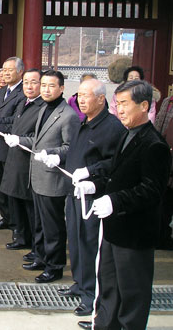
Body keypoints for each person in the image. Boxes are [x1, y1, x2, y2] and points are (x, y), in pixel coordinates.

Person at [78, 80, 170, 330]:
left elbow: (151, 190)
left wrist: (115, 200)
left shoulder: (155, 145)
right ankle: (105, 325)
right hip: (113, 228)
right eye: (117, 104)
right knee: (109, 286)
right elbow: (116, 172)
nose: (119, 110)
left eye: (124, 104)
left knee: (132, 292)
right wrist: (94, 185)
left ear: (144, 105)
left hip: (135, 233)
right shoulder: (126, 134)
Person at [5, 70, 79, 283]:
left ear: (62, 88)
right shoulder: (44, 108)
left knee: (53, 227)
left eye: (51, 86)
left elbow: (70, 147)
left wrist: (53, 153)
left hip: (52, 179)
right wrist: (19, 140)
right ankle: (40, 256)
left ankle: (54, 266)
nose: (46, 90)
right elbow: (37, 140)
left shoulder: (68, 115)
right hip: (37, 175)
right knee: (39, 223)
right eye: (44, 85)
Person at [62, 79, 126, 317]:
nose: (81, 100)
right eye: (79, 95)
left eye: (86, 95)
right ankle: (80, 283)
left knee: (91, 246)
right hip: (75, 194)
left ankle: (92, 295)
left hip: (94, 196)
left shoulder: (112, 127)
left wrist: (91, 173)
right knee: (76, 242)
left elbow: (115, 162)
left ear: (101, 99)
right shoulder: (85, 121)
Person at [0, 69, 44, 253]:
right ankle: (22, 236)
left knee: (28, 206)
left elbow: (38, 136)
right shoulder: (25, 102)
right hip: (14, 156)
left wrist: (17, 138)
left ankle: (34, 246)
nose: (29, 86)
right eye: (26, 82)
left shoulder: (42, 106)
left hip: (27, 160)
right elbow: (12, 123)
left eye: (34, 82)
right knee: (14, 199)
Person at [0, 57, 25, 230]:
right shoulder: (2, 91)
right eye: (4, 70)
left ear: (20, 72)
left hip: (12, 148)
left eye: (10, 70)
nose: (5, 73)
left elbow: (16, 120)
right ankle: (6, 218)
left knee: (11, 190)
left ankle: (17, 224)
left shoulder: (23, 93)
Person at [154, 93, 173, 249]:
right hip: (167, 158)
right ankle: (162, 236)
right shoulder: (168, 101)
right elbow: (159, 126)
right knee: (165, 201)